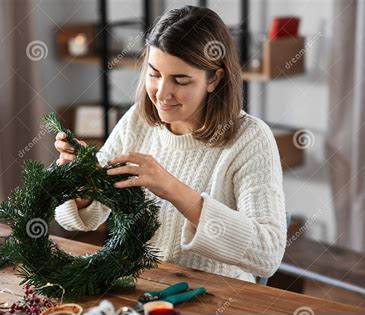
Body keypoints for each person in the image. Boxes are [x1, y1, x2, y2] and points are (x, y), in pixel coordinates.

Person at [54, 5, 286, 283]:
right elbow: (82, 219)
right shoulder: (139, 120)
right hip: (141, 289)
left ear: (214, 78)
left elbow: (268, 254)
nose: (162, 93)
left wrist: (172, 189)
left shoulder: (250, 139)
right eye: (154, 74)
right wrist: (82, 181)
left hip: (216, 299)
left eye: (180, 80)